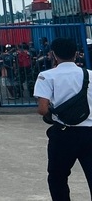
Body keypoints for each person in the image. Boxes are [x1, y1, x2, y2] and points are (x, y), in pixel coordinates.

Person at [34, 37, 92, 200]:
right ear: (76, 54)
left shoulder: (46, 76)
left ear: (53, 54)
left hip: (64, 134)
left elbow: (42, 109)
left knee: (57, 177)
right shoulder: (89, 75)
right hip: (90, 132)